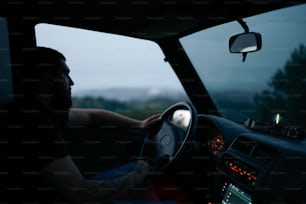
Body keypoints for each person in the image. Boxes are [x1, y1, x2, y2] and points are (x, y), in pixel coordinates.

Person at [3, 46, 165, 204]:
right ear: (47, 77)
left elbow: (93, 116)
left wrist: (140, 124)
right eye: (65, 74)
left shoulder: (38, 111)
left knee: (133, 171)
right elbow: (82, 194)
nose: (71, 82)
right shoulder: (34, 124)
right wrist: (138, 174)